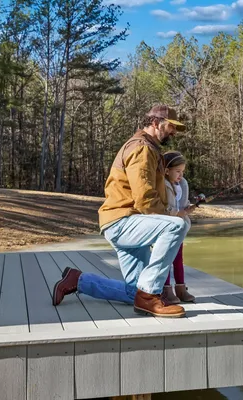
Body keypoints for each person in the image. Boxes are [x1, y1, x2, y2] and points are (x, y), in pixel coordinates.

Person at [52, 105, 193, 318]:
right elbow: (144, 198)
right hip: (123, 222)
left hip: (126, 222)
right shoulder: (141, 148)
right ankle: (149, 296)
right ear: (155, 123)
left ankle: (78, 280)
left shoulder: (150, 148)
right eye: (170, 126)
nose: (173, 132)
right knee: (178, 225)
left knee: (132, 292)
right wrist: (172, 217)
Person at [161, 151, 196, 304]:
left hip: (179, 227)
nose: (180, 175)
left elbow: (182, 203)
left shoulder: (181, 184)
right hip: (166, 227)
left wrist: (188, 208)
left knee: (178, 259)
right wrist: (177, 213)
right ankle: (166, 289)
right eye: (177, 171)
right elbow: (162, 207)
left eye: (182, 171)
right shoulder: (162, 185)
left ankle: (181, 289)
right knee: (166, 259)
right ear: (167, 170)